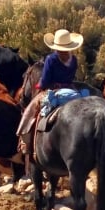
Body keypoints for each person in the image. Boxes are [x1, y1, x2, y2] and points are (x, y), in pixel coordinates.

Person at [16, 29, 84, 169]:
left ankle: (25, 143)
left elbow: (45, 80)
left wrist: (39, 85)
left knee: (30, 112)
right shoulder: (74, 59)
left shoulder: (51, 59)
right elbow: (71, 77)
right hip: (71, 90)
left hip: (53, 90)